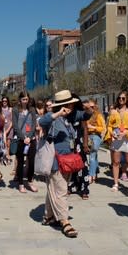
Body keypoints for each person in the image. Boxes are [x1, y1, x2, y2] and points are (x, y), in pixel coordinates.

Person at [38, 89, 91, 238]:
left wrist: (87, 107)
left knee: (53, 189)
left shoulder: (72, 115)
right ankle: (64, 221)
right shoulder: (53, 118)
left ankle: (48, 216)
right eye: (68, 105)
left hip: (68, 160)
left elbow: (87, 115)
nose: (70, 108)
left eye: (72, 105)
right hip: (55, 160)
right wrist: (58, 113)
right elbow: (42, 121)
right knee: (61, 191)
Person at [105, 90, 128, 192]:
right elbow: (109, 125)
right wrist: (112, 133)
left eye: (123, 98)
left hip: (127, 139)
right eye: (119, 98)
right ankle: (115, 183)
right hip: (116, 138)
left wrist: (126, 133)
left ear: (127, 99)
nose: (121, 100)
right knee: (116, 162)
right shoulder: (114, 111)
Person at [12, 91, 38, 193]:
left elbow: (34, 124)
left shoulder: (31, 109)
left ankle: (30, 181)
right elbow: (15, 126)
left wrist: (30, 136)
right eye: (23, 99)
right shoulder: (15, 110)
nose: (25, 101)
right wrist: (23, 137)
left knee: (31, 162)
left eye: (27, 99)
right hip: (20, 139)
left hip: (31, 139)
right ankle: (21, 183)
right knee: (20, 161)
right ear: (20, 100)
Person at [86, 98, 106, 184]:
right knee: (94, 156)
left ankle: (91, 175)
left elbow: (103, 128)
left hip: (95, 136)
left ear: (95, 106)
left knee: (92, 156)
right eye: (88, 107)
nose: (90, 108)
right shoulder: (86, 115)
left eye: (92, 107)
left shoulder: (98, 115)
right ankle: (95, 173)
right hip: (88, 136)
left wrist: (93, 127)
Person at [1, 95, 13, 164]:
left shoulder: (10, 109)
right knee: (3, 143)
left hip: (9, 128)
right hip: (2, 128)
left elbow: (12, 121)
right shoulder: (0, 109)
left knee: (8, 144)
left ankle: (8, 156)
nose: (4, 102)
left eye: (5, 101)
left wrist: (8, 130)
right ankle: (4, 157)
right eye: (3, 101)